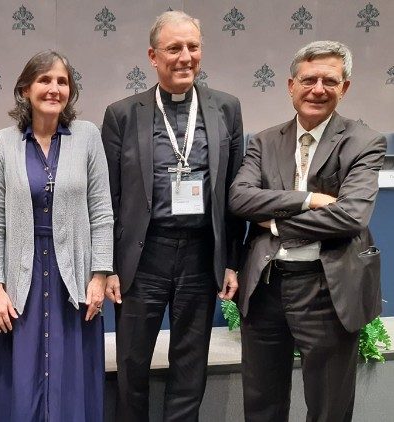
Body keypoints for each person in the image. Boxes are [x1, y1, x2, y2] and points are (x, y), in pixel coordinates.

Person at [229, 40, 386, 422]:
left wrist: (276, 221)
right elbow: (240, 199)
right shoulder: (263, 142)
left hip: (326, 289)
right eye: (309, 79)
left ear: (344, 87)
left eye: (329, 81)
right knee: (262, 405)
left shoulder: (364, 142)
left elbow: (350, 217)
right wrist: (310, 199)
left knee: (328, 408)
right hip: (266, 288)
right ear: (291, 85)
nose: (318, 89)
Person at [101, 10, 244, 421]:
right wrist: (108, 266)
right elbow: (108, 198)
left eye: (193, 47)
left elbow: (234, 193)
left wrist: (232, 259)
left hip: (201, 254)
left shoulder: (226, 109)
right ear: (153, 55)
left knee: (190, 363)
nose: (185, 57)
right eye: (174, 48)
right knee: (132, 362)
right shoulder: (122, 114)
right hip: (144, 257)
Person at [0, 50, 114, 421]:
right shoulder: (4, 144)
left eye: (62, 81)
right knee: (22, 382)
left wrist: (99, 275)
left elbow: (102, 212)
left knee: (72, 378)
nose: (54, 88)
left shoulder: (88, 136)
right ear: (25, 89)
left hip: (72, 280)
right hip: (19, 279)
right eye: (45, 80)